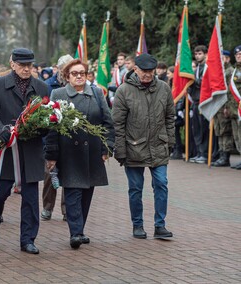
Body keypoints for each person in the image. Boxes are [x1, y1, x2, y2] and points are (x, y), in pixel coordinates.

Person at [45, 59, 115, 249]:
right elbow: (52, 126)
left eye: (82, 73)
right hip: (69, 153)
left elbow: (108, 122)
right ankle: (75, 232)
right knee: (73, 192)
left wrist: (106, 148)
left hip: (92, 152)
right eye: (74, 73)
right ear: (67, 76)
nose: (78, 77)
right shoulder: (58, 94)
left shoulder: (97, 93)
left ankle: (80, 229)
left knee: (86, 193)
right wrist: (51, 154)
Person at [0, 48, 48, 254]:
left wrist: (42, 126)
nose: (27, 69)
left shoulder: (42, 87)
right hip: (5, 150)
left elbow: (48, 117)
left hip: (30, 151)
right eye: (22, 65)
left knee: (30, 199)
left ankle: (28, 239)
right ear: (12, 64)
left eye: (30, 65)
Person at [112, 53, 175, 240]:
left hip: (159, 146)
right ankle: (137, 225)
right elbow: (118, 123)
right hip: (133, 147)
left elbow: (170, 117)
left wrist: (170, 141)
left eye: (150, 71)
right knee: (135, 189)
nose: (147, 75)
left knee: (162, 184)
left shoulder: (163, 88)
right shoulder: (124, 91)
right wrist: (120, 150)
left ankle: (160, 225)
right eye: (143, 71)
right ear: (135, 70)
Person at [41, 54, 74, 222]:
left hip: (69, 139)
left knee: (68, 175)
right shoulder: (48, 86)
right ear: (60, 70)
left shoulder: (76, 86)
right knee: (50, 174)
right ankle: (47, 207)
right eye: (67, 69)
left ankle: (67, 210)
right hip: (51, 137)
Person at [211, 50, 234, 167]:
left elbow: (230, 92)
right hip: (217, 106)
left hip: (225, 105)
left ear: (228, 59)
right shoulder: (219, 71)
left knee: (226, 131)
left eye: (223, 58)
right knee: (219, 130)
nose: (221, 60)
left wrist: (227, 106)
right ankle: (221, 155)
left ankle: (226, 157)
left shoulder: (230, 71)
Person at [189, 45, 209, 164]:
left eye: (200, 54)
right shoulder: (197, 69)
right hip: (195, 101)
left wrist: (192, 79)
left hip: (204, 101)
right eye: (196, 54)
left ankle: (205, 153)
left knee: (203, 129)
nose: (197, 56)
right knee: (196, 129)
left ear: (206, 54)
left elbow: (204, 83)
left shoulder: (207, 67)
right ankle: (199, 152)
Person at [226, 45, 241, 169]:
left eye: (240, 54)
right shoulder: (235, 70)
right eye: (237, 55)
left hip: (240, 107)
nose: (238, 56)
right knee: (237, 136)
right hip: (233, 108)